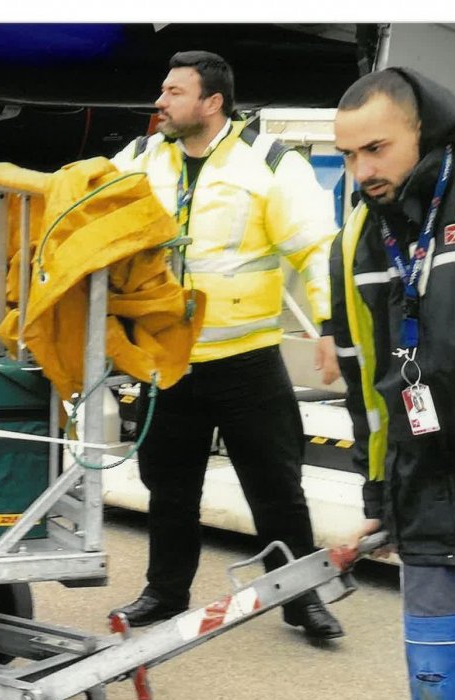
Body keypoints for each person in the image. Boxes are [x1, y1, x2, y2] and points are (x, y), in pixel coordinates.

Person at [108, 50, 343, 639]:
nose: (160, 102)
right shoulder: (139, 159)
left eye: (174, 92)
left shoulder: (270, 164)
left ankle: (300, 599)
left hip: (246, 361)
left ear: (212, 103)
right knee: (168, 488)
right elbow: (86, 214)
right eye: (163, 90)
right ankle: (164, 592)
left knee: (276, 488)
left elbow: (316, 248)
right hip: (168, 358)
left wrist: (330, 325)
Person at [330, 68, 455, 700]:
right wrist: (378, 494)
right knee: (441, 697)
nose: (362, 171)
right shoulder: (357, 241)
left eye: (376, 149)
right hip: (425, 502)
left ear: (423, 132)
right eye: (348, 155)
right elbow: (368, 389)